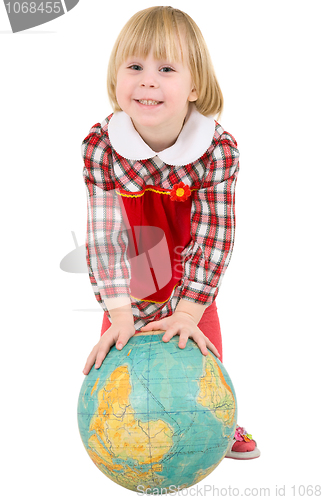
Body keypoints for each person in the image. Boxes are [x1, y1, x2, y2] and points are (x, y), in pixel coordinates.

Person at [81, 6, 260, 460]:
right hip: (131, 279)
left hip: (188, 280)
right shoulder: (101, 147)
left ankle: (219, 422)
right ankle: (125, 433)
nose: (147, 80)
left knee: (202, 360)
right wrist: (118, 313)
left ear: (195, 85)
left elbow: (216, 235)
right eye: (135, 67)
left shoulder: (217, 150)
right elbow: (103, 238)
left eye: (166, 69)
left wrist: (189, 310)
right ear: (116, 78)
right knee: (124, 366)